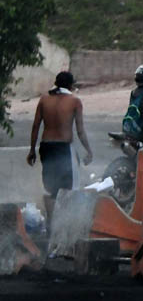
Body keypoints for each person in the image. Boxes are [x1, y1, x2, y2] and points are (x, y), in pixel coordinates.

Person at [27, 72, 93, 227]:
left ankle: (51, 224)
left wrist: (32, 150)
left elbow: (36, 126)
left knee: (52, 190)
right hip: (64, 148)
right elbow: (80, 131)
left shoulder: (44, 100)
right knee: (70, 188)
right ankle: (65, 225)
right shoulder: (75, 101)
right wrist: (88, 150)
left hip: (46, 147)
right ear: (71, 85)